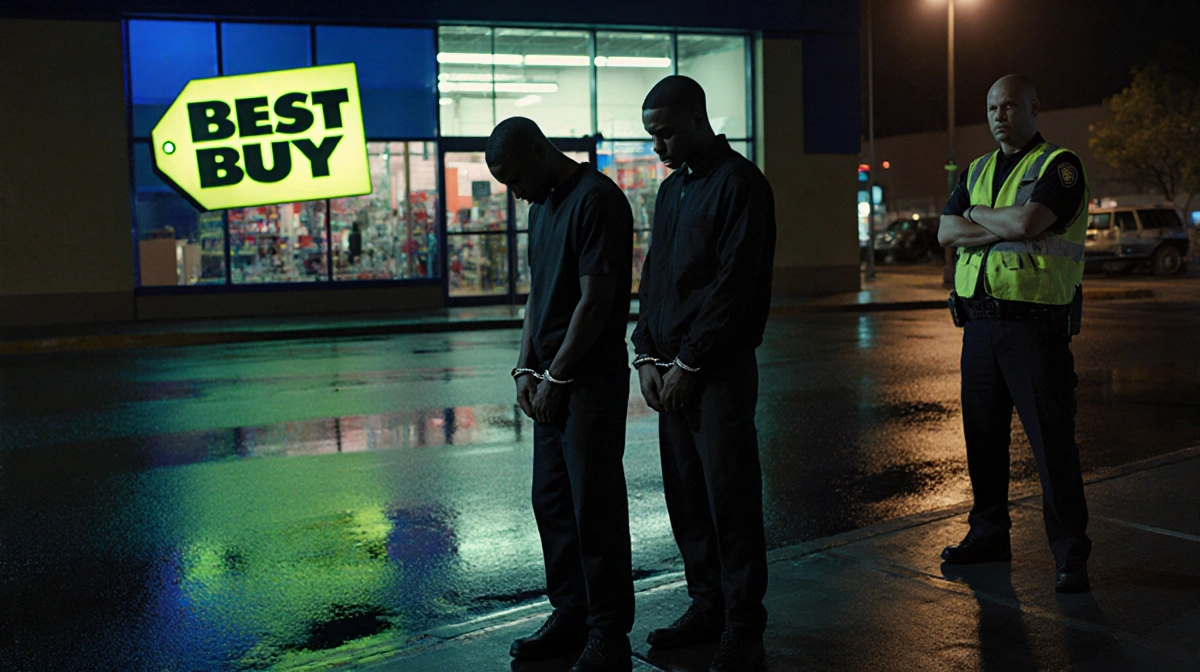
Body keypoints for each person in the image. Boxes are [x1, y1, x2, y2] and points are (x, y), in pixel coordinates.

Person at [632, 75, 776, 672]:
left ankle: (743, 624)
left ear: (697, 120)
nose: (657, 147)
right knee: (688, 499)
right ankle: (707, 605)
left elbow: (734, 289)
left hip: (714, 376)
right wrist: (644, 353)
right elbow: (656, 279)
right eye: (651, 136)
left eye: (664, 133)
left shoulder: (740, 185)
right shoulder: (672, 192)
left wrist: (690, 362)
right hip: (671, 374)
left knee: (729, 499)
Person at [487, 117, 636, 672]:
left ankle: (608, 635)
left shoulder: (596, 201)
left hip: (588, 384)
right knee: (552, 503)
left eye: (516, 176)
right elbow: (538, 294)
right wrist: (525, 366)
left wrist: (558, 376)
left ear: (538, 151)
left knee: (594, 508)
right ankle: (571, 615)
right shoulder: (539, 209)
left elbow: (595, 302)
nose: (514, 190)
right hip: (550, 384)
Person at [937, 75, 1092, 593]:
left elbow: (1029, 223)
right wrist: (990, 219)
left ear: (1033, 107)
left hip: (1034, 329)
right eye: (991, 108)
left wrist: (975, 217)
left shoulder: (1060, 166)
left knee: (1052, 446)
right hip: (978, 327)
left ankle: (1071, 554)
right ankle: (988, 535)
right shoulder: (977, 170)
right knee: (982, 440)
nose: (998, 115)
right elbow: (944, 230)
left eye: (1009, 106)